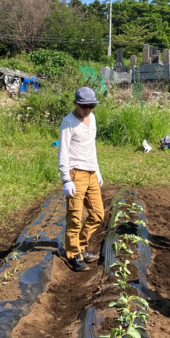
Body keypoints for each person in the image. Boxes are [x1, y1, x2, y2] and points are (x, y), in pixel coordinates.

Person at [59, 86, 105, 272]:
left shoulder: (92, 118)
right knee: (75, 217)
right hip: (75, 173)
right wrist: (66, 179)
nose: (88, 110)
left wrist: (97, 169)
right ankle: (73, 254)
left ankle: (81, 245)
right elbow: (63, 152)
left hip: (91, 173)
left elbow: (91, 147)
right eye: (84, 106)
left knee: (98, 214)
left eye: (92, 106)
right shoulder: (68, 123)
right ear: (75, 103)